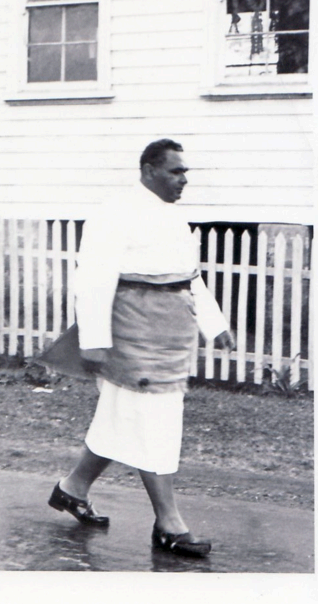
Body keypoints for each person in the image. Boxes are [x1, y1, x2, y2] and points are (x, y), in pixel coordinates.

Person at [48, 138, 234, 558]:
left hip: (171, 337)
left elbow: (189, 277)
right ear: (149, 170)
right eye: (175, 171)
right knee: (153, 420)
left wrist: (214, 323)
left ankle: (72, 488)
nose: (183, 179)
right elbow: (93, 278)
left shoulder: (175, 220)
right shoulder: (115, 213)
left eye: (185, 172)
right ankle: (168, 522)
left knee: (121, 418)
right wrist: (94, 341)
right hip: (131, 333)